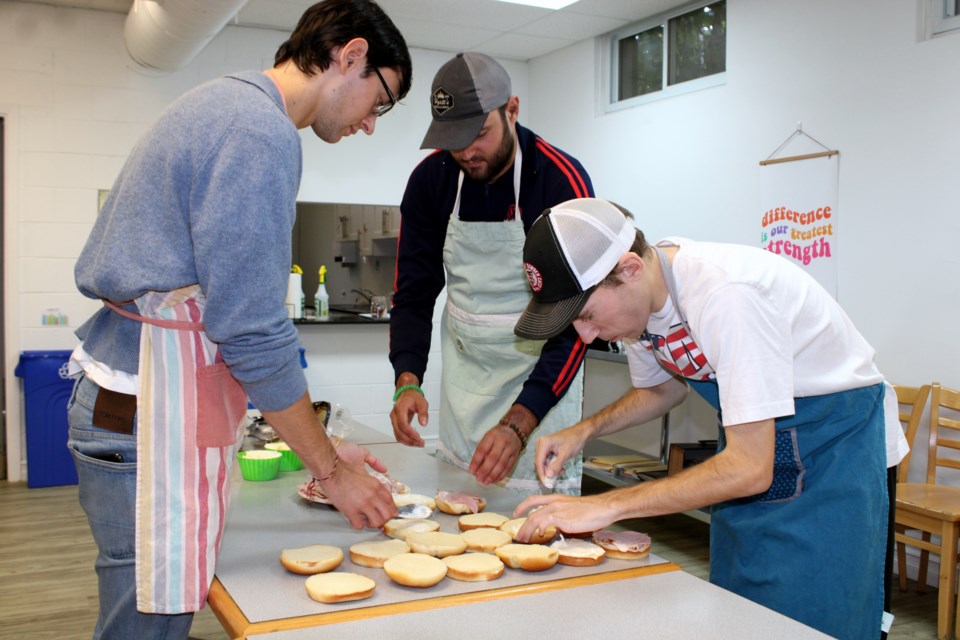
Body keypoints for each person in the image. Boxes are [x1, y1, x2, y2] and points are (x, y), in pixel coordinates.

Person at [66, 1, 412, 637]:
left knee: (145, 607)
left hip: (130, 395)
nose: (370, 125)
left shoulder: (226, 104)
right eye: (381, 101)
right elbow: (251, 331)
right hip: (143, 411)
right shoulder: (259, 131)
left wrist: (324, 443)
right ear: (352, 55)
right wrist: (331, 473)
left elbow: (221, 319)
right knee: (148, 619)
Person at [511, 198, 907, 639]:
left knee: (815, 615)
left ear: (630, 269)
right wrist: (584, 431)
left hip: (834, 453)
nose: (584, 335)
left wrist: (605, 504)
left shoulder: (726, 295)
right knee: (740, 606)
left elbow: (749, 468)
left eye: (585, 315)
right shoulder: (643, 308)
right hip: (757, 446)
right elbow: (661, 389)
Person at [389, 52, 594, 493]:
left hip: (541, 386)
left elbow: (575, 321)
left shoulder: (560, 183)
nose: (465, 151)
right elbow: (413, 294)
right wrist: (406, 380)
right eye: (452, 139)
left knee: (536, 533)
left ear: (512, 110)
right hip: (466, 385)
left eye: (479, 133)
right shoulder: (432, 181)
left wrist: (520, 423)